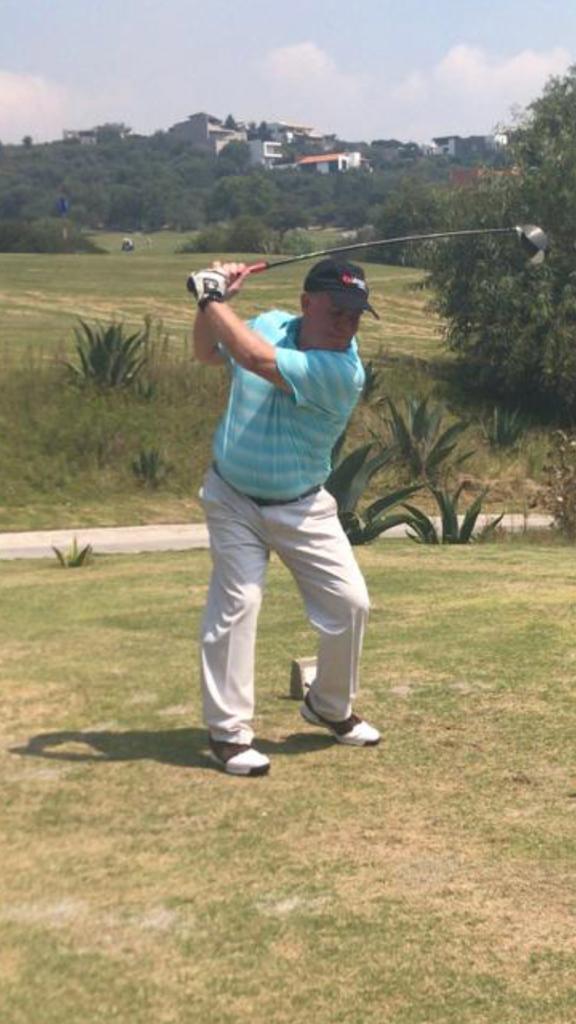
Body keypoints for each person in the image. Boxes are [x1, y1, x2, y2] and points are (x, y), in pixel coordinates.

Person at [190, 257, 381, 776]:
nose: (346, 325)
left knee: (350, 604)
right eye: (337, 312)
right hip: (233, 498)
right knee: (238, 602)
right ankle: (228, 735)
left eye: (355, 316)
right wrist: (211, 306)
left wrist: (211, 296)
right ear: (306, 304)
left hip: (301, 504)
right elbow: (208, 351)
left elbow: (254, 358)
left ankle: (329, 706)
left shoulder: (341, 372)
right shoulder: (270, 322)